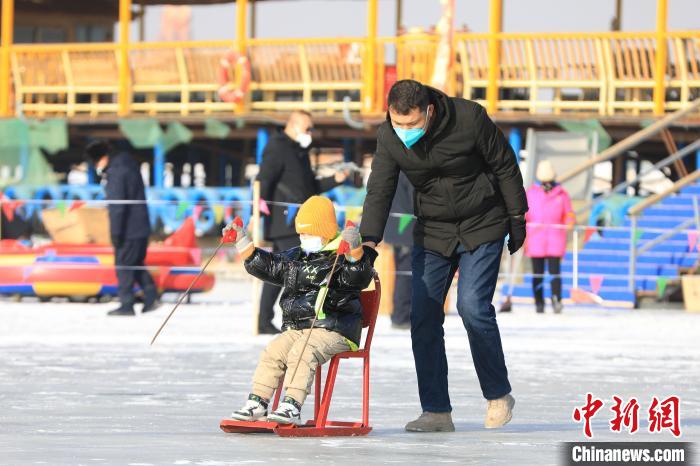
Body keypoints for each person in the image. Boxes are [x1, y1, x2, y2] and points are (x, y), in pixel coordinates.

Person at [359, 80, 528, 432]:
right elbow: (381, 188)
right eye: (397, 122)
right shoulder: (390, 136)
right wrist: (370, 241)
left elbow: (505, 164)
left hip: (483, 221)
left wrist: (516, 217)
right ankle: (436, 410)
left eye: (412, 123)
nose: (404, 130)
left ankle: (498, 394)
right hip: (433, 230)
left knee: (471, 306)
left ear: (429, 111)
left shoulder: (469, 118)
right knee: (423, 315)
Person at [224, 196, 376, 424]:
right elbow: (272, 266)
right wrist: (243, 244)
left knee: (303, 351)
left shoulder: (341, 257)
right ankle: (258, 402)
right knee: (274, 350)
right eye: (301, 234)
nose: (304, 239)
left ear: (325, 232)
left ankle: (292, 404)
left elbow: (359, 277)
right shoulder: (297, 255)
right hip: (299, 328)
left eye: (309, 234)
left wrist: (355, 253)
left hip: (335, 330)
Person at [256, 110, 348, 334]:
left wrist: (334, 180)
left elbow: (309, 187)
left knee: (288, 270)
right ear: (294, 125)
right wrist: (257, 214)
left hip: (302, 220)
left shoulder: (300, 150)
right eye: (307, 128)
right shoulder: (277, 147)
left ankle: (272, 318)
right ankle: (265, 319)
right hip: (284, 219)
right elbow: (263, 181)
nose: (310, 133)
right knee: (284, 270)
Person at [85, 140, 159, 316]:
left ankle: (127, 304)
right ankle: (151, 296)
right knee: (135, 263)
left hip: (128, 228)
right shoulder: (128, 165)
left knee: (123, 265)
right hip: (140, 225)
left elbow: (118, 206)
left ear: (102, 158)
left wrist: (115, 232)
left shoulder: (116, 172)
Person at [525, 160, 574, 314]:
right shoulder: (531, 193)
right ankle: (539, 302)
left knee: (555, 273)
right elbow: (524, 214)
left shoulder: (562, 193)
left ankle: (556, 300)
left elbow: (569, 213)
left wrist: (570, 221)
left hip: (555, 238)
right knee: (537, 273)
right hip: (535, 238)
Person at [382, 171, 414, 329]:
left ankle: (400, 314)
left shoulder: (395, 169)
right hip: (407, 230)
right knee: (406, 276)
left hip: (398, 229)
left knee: (403, 274)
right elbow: (415, 199)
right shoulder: (409, 171)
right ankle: (401, 316)